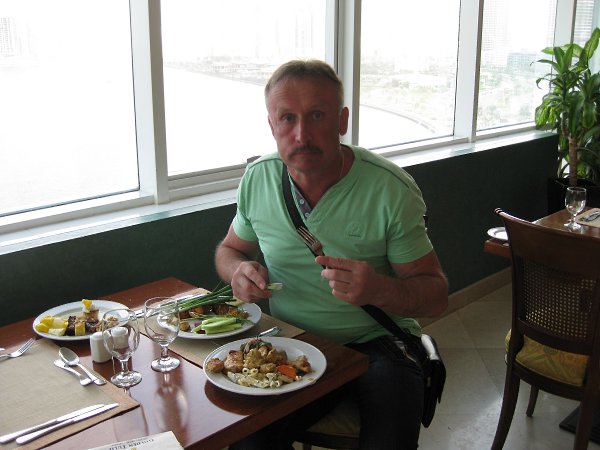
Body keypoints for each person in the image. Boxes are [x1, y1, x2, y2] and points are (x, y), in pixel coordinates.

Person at [215, 59, 448, 450]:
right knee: (245, 441)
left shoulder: (390, 189)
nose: (301, 134)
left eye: (317, 115)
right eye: (287, 118)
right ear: (272, 125)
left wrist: (378, 289)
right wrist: (237, 270)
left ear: (342, 120)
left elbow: (436, 295)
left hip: (378, 343)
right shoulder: (258, 179)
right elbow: (229, 249)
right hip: (291, 341)